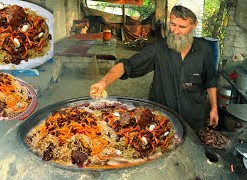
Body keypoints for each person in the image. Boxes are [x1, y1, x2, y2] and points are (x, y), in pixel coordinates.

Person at [90, 0, 219, 131]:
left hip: (193, 118)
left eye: (182, 27)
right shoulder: (159, 48)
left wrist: (214, 107)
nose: (175, 31)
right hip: (163, 119)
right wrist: (103, 82)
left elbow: (210, 80)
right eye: (173, 24)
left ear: (194, 25)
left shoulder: (204, 49)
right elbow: (127, 65)